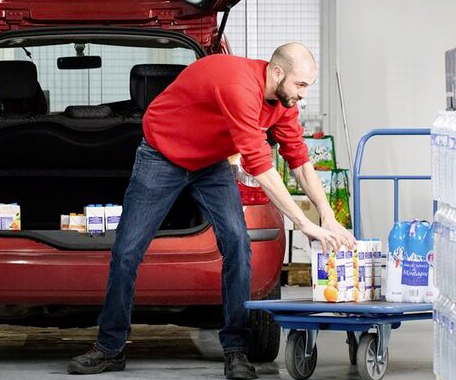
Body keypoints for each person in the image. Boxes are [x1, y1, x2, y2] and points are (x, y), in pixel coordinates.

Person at [66, 43, 356, 380]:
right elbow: (261, 167)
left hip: (210, 164)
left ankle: (236, 350)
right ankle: (109, 347)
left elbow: (300, 161)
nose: (303, 95)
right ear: (277, 73)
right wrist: (304, 223)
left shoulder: (283, 101)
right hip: (162, 156)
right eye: (301, 85)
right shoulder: (238, 87)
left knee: (237, 243)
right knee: (128, 250)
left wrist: (328, 215)